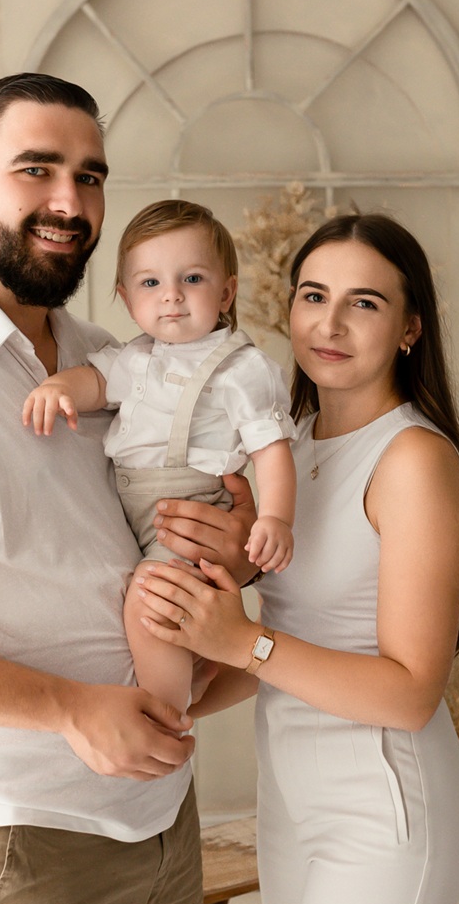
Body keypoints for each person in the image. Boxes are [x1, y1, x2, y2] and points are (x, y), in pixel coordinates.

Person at [0, 72, 260, 904]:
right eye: (35, 169)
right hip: (31, 840)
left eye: (90, 175)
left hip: (164, 812)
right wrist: (69, 707)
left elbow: (146, 525)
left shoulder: (107, 353)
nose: (69, 202)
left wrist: (230, 544)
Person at [131, 214, 459, 904]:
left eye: (364, 302)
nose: (330, 323)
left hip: (384, 805)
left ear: (410, 327)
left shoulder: (413, 459)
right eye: (313, 295)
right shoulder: (287, 447)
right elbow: (297, 641)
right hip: (291, 800)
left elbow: (411, 695)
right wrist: (184, 694)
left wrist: (241, 641)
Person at [22, 198, 296, 713]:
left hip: (194, 510)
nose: (171, 295)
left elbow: (271, 449)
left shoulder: (242, 369)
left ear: (226, 292)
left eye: (192, 278)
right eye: (150, 283)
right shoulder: (134, 357)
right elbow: (96, 384)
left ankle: (165, 710)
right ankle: (190, 680)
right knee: (153, 599)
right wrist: (59, 387)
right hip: (139, 516)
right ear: (127, 299)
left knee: (150, 599)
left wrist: (276, 517)